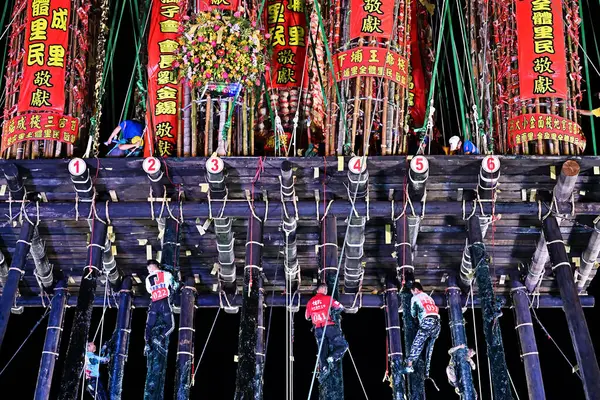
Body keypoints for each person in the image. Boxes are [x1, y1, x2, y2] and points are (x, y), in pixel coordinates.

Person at [305, 284, 349, 380]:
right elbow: (340, 307)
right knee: (343, 346)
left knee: (322, 350)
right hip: (329, 326)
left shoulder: (310, 302)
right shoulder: (328, 298)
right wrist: (332, 312)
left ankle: (324, 367)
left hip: (318, 329)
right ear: (324, 289)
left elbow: (306, 317)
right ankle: (332, 357)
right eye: (326, 289)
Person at [402, 282, 440, 377]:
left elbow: (413, 313)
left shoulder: (415, 297)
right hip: (437, 323)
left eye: (412, 292)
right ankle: (427, 372)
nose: (412, 294)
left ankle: (409, 365)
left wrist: (417, 316)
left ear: (415, 290)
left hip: (427, 322)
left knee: (418, 342)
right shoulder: (429, 297)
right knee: (430, 347)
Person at [145, 259, 179, 355]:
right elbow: (174, 285)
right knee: (171, 325)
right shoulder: (167, 274)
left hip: (154, 303)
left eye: (149, 269)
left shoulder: (148, 278)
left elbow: (149, 290)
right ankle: (159, 338)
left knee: (149, 325)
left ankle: (147, 343)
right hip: (164, 301)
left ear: (152, 267)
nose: (148, 271)